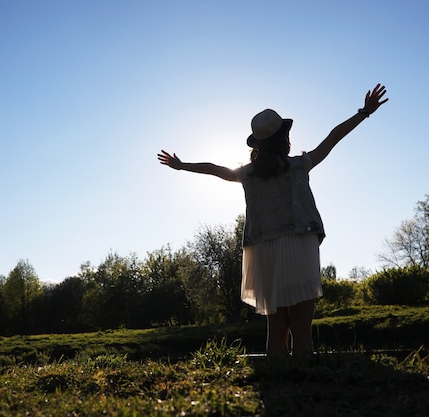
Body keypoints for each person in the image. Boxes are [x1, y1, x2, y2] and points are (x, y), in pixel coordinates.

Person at [157, 84, 388, 356]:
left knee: (276, 329)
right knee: (302, 329)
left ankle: (276, 383)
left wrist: (182, 166)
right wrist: (364, 112)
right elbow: (333, 137)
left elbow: (214, 169)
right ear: (284, 138)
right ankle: (306, 386)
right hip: (299, 244)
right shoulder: (300, 164)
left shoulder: (247, 174)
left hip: (264, 249)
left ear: (258, 144)